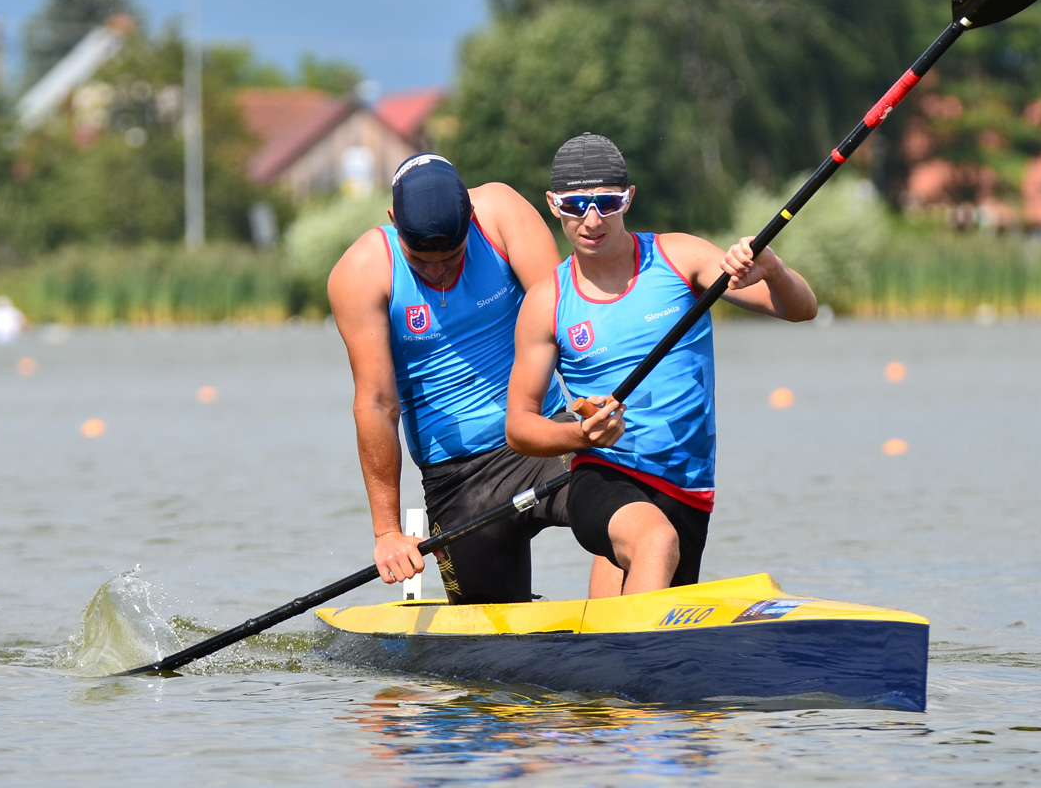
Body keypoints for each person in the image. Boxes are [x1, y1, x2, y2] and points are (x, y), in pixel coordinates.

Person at [506, 133, 819, 597]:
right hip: (603, 473)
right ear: (554, 204)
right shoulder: (547, 301)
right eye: (576, 205)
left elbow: (802, 309)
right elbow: (519, 427)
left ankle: (607, 654)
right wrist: (578, 436)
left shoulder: (681, 258)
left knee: (641, 573)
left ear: (628, 198)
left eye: (607, 202)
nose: (591, 220)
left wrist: (772, 268)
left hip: (687, 488)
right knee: (655, 540)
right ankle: (640, 666)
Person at [327, 153, 610, 604]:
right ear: (392, 220)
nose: (438, 272)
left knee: (634, 507)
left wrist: (591, 406)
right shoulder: (361, 273)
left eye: (452, 257)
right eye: (421, 261)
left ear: (472, 219)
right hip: (458, 481)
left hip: (544, 436)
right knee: (493, 645)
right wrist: (388, 532)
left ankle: (624, 627)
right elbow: (377, 405)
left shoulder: (502, 214)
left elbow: (566, 320)